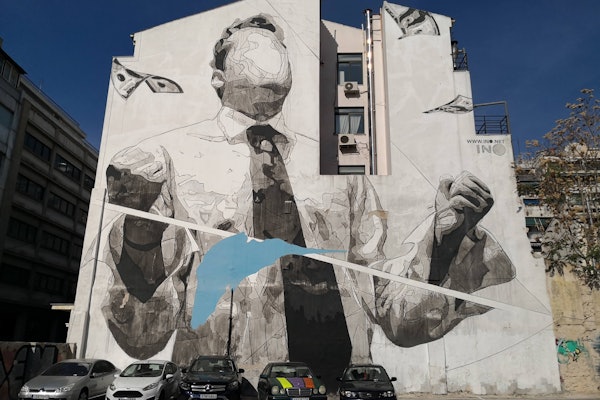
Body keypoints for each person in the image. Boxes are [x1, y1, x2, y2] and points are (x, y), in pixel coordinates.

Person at [103, 13, 514, 385]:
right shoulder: (166, 162)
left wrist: (443, 245)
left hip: (339, 388)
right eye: (250, 43)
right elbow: (142, 338)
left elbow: (393, 313)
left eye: (277, 45)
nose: (269, 52)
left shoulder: (335, 166)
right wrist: (140, 232)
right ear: (218, 77)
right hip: (219, 387)